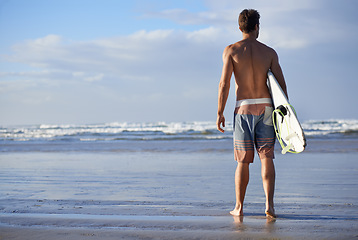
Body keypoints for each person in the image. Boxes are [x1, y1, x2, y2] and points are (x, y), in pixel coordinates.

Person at [216, 9, 288, 218]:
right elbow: (282, 86)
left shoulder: (231, 51)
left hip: (244, 108)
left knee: (243, 161)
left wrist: (220, 111)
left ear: (240, 28)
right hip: (266, 108)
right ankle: (270, 206)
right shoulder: (270, 52)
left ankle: (239, 207)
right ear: (257, 27)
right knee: (267, 158)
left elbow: (224, 84)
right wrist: (284, 116)